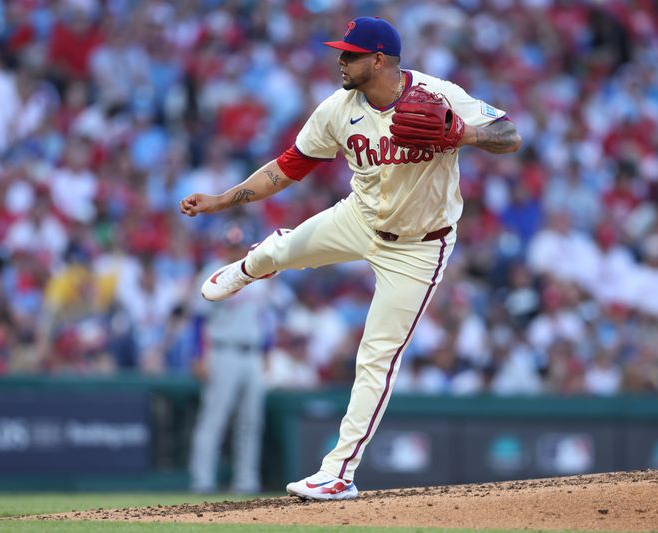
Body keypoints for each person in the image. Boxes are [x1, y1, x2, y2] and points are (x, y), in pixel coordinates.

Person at [179, 17, 521, 500]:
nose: (340, 61)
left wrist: (462, 133)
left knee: (376, 357)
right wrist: (220, 200)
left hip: (420, 245)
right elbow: (288, 168)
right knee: (287, 247)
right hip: (360, 215)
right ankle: (246, 268)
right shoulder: (338, 108)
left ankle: (338, 471)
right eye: (341, 52)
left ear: (379, 59)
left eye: (350, 54)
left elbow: (510, 135)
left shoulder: (437, 94)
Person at [188, 225, 275, 495]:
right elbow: (197, 320)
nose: (234, 249)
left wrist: (267, 352)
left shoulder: (258, 272)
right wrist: (198, 355)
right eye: (230, 245)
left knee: (251, 421)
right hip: (222, 351)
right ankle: (202, 480)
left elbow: (265, 318)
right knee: (215, 418)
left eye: (239, 245)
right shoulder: (211, 273)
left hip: (252, 353)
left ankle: (245, 481)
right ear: (222, 246)